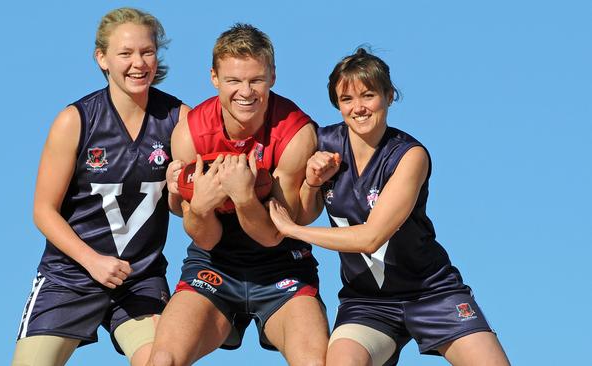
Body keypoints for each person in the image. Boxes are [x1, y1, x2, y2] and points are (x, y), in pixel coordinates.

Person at [268, 48, 511, 366]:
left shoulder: (410, 156)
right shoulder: (321, 144)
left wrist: (294, 231)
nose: (358, 108)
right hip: (367, 302)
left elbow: (371, 238)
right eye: (346, 99)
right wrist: (312, 182)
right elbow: (302, 209)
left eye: (368, 95)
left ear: (389, 95)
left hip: (431, 292)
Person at [11, 8, 190, 366]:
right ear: (102, 58)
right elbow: (43, 211)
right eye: (125, 53)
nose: (138, 63)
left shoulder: (180, 119)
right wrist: (92, 262)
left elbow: (186, 207)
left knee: (163, 360)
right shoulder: (74, 121)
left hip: (139, 280)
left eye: (147, 52)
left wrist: (182, 191)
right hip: (70, 275)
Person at [147, 24, 328, 366]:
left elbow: (275, 234)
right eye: (233, 80)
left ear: (272, 76)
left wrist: (243, 198)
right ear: (214, 78)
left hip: (281, 265)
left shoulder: (296, 132)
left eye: (255, 80)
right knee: (163, 360)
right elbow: (205, 238)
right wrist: (199, 206)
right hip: (214, 264)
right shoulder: (190, 133)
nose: (245, 92)